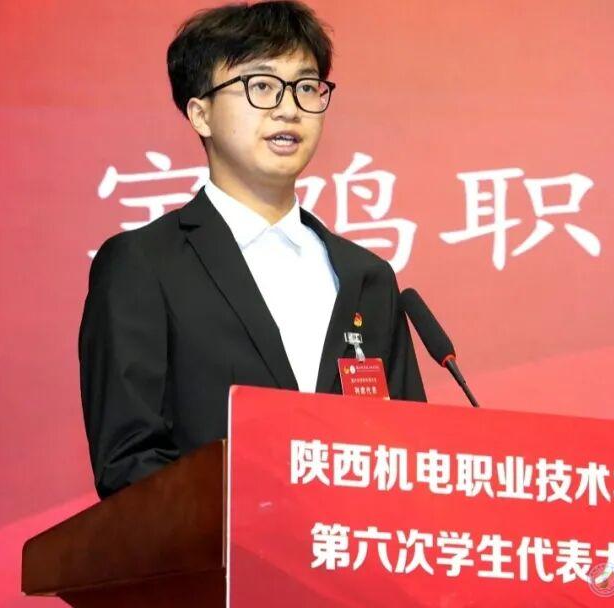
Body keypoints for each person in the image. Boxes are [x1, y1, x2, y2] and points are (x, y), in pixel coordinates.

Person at [79, 0, 426, 499]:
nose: (289, 108)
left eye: (306, 87)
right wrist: (259, 519)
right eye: (261, 86)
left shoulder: (367, 278)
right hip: (212, 547)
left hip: (344, 545)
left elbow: (408, 454)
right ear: (200, 114)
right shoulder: (144, 265)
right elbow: (129, 461)